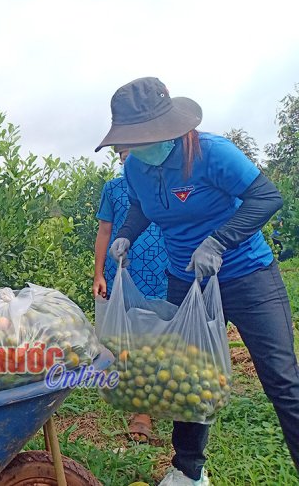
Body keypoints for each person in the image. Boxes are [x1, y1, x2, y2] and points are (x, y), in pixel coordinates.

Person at [95, 76, 299, 486]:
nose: (130, 149)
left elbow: (267, 196)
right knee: (188, 376)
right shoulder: (136, 167)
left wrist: (218, 241)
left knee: (281, 377)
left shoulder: (211, 153)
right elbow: (141, 207)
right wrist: (125, 235)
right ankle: (188, 471)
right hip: (186, 281)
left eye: (137, 139)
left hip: (246, 275)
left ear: (166, 130)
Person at [93, 145, 169, 443]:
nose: (128, 163)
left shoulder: (164, 182)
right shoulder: (113, 189)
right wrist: (98, 273)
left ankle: (152, 398)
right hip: (123, 271)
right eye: (123, 158)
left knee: (158, 333)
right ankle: (141, 405)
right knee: (131, 337)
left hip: (164, 268)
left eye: (133, 156)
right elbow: (104, 231)